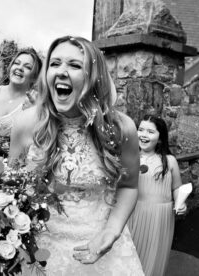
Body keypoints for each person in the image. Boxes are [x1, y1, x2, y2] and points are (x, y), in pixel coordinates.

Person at [10, 36, 144, 274]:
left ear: (94, 76)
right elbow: (12, 189)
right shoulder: (26, 123)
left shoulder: (121, 128)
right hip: (40, 250)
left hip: (101, 249)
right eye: (55, 63)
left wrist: (111, 232)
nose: (61, 72)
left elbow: (130, 186)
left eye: (74, 65)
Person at [128, 114, 187, 276]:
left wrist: (180, 202)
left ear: (160, 138)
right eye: (140, 130)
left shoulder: (169, 160)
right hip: (134, 212)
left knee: (155, 255)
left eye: (150, 131)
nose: (143, 134)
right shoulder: (129, 158)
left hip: (161, 216)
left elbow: (177, 187)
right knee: (132, 253)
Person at [0, 48, 42, 156]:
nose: (20, 68)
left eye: (28, 67)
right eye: (17, 63)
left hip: (13, 169)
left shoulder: (35, 105)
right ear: (11, 67)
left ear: (34, 77)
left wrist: (33, 113)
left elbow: (36, 144)